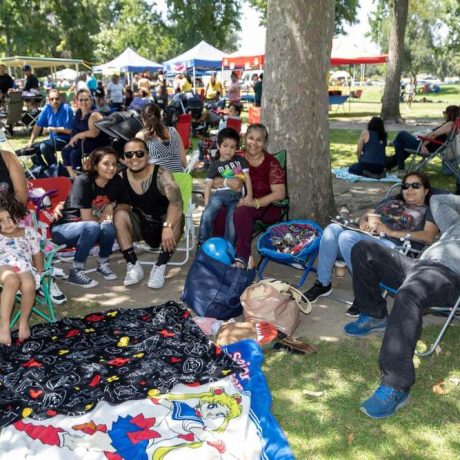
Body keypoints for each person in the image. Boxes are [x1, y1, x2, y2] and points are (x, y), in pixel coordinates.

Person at [345, 194, 460, 419]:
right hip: (419, 265)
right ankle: (375, 315)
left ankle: (396, 383)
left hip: (448, 278)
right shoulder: (455, 222)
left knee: (409, 293)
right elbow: (437, 200)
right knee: (364, 249)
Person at [304, 172, 439, 316]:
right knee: (332, 229)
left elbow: (428, 236)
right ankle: (323, 283)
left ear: (426, 190)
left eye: (416, 186)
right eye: (406, 186)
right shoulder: (393, 199)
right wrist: (363, 222)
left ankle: (365, 292)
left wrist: (392, 232)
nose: (409, 189)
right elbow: (368, 214)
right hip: (371, 238)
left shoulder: (430, 209)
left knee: (346, 237)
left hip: (396, 249)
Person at [51, 147, 129, 288]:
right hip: (64, 230)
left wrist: (111, 204)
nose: (111, 168)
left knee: (107, 226)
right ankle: (76, 270)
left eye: (114, 164)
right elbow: (87, 219)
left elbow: (126, 203)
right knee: (96, 225)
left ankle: (103, 264)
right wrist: (105, 218)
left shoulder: (116, 181)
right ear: (95, 165)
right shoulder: (83, 181)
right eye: (106, 164)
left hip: (90, 229)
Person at [114, 138, 183, 289]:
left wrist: (167, 226)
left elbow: (177, 202)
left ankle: (160, 266)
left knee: (178, 217)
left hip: (164, 223)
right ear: (124, 158)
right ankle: (133, 265)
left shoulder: (162, 173)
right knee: (119, 214)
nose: (134, 158)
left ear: (147, 154)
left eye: (139, 153)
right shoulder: (121, 177)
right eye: (129, 155)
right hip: (141, 224)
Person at [214, 124, 286, 268]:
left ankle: (242, 258)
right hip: (240, 200)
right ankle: (219, 253)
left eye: (259, 140)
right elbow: (215, 181)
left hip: (267, 206)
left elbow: (280, 193)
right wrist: (227, 181)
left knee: (241, 211)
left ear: (265, 143)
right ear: (245, 138)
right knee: (220, 210)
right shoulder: (237, 158)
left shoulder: (271, 163)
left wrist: (255, 202)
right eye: (251, 138)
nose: (254, 143)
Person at [0, 195, 44, 345]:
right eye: (0, 221)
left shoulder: (29, 232)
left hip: (24, 266)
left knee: (29, 284)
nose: (6, 224)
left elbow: (37, 253)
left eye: (9, 218)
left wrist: (40, 271)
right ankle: (4, 326)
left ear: (17, 215)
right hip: (2, 266)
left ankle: (23, 322)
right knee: (11, 279)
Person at [199, 128, 253, 245]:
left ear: (236, 148)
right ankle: (203, 243)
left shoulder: (240, 160)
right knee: (207, 214)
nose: (228, 150)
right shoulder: (215, 165)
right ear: (218, 146)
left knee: (232, 220)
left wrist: (249, 196)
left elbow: (247, 178)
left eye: (232, 147)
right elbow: (208, 184)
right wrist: (207, 202)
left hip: (236, 197)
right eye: (225, 146)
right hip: (220, 195)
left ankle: (229, 247)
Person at [386, 105, 459, 176]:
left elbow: (434, 135)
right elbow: (434, 135)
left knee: (401, 134)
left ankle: (396, 166)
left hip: (425, 147)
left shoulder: (449, 124)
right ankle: (390, 164)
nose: (444, 114)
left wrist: (422, 146)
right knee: (400, 144)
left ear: (450, 114)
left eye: (445, 112)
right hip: (428, 144)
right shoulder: (453, 126)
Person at [61, 88, 109, 177]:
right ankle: (74, 178)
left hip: (97, 143)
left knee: (74, 154)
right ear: (76, 101)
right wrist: (71, 140)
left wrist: (79, 135)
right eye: (81, 100)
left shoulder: (94, 114)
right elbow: (75, 130)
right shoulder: (78, 113)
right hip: (83, 143)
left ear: (91, 100)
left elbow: (94, 133)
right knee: (65, 151)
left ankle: (81, 179)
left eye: (86, 99)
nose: (84, 102)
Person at [23, 89, 74, 168]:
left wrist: (53, 129)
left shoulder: (66, 108)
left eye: (57, 98)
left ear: (61, 98)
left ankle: (54, 169)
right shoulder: (47, 109)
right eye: (52, 99)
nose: (55, 101)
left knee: (44, 146)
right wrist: (31, 141)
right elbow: (38, 126)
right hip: (53, 140)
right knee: (31, 149)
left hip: (66, 140)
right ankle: (42, 169)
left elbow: (69, 130)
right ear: (48, 100)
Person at [136, 103, 186, 172]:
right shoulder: (173, 131)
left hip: (159, 179)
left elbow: (139, 163)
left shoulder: (142, 135)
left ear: (143, 119)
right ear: (160, 116)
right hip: (180, 177)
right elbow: (184, 160)